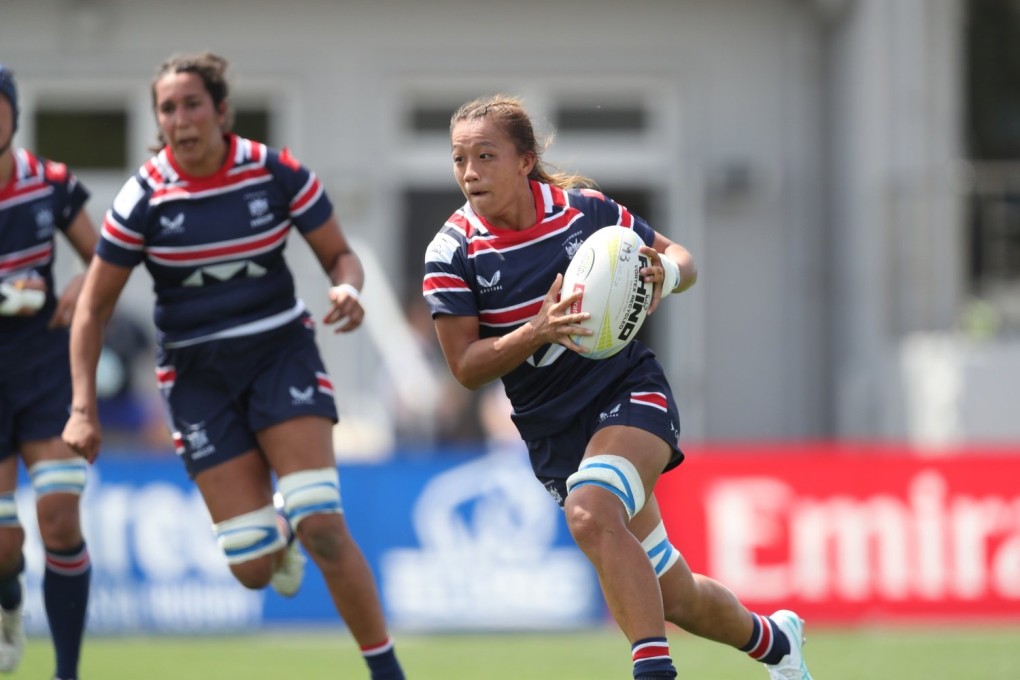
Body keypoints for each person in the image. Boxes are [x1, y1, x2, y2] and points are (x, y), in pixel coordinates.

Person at [422, 94, 813, 680]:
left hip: (627, 392)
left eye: (485, 155)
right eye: (459, 159)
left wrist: (667, 274)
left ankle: (654, 672)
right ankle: (777, 643)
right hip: (553, 429)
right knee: (674, 594)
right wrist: (538, 329)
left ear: (526, 161)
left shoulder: (586, 213)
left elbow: (681, 257)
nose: (470, 172)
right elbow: (466, 367)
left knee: (590, 509)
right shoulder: (452, 252)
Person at [61, 53, 405, 680]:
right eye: (168, 107)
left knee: (324, 522)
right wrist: (83, 407)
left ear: (221, 110)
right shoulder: (143, 197)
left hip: (279, 354)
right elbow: (91, 311)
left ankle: (386, 669)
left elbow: (341, 257)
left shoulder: (275, 172)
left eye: (193, 104)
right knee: (251, 570)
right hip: (197, 382)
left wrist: (349, 290)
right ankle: (281, 528)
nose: (180, 118)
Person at [0, 64, 97, 680]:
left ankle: (67, 671)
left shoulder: (50, 183)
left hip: (44, 370)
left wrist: (84, 282)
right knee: (4, 547)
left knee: (59, 518)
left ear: (12, 113)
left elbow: (105, 258)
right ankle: (8, 604)